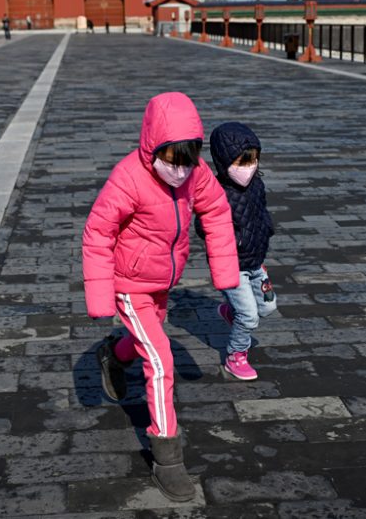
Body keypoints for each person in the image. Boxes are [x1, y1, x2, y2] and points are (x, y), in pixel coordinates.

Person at [82, 92, 239, 502]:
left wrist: (225, 274)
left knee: (144, 344)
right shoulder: (128, 177)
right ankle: (167, 457)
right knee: (160, 358)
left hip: (162, 281)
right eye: (172, 158)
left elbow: (217, 213)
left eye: (188, 158)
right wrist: (101, 297)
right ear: (152, 147)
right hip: (129, 283)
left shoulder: (196, 173)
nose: (180, 169)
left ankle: (113, 356)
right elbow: (98, 233)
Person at [207, 122, 277, 380]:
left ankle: (232, 312)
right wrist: (233, 238)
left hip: (255, 260)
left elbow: (260, 213)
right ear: (224, 161)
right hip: (231, 263)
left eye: (253, 160)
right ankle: (235, 356)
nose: (249, 168)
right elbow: (203, 227)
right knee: (249, 317)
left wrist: (267, 228)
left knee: (268, 307)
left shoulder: (257, 185)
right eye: (242, 162)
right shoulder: (216, 191)